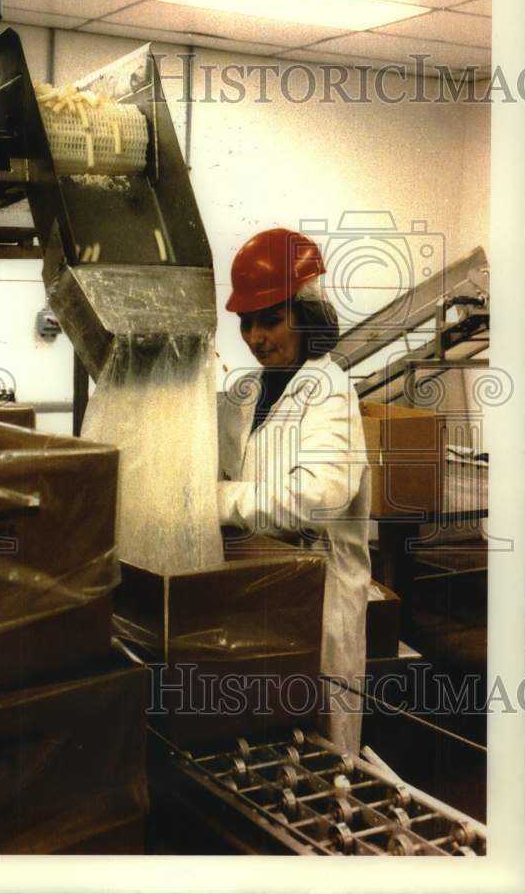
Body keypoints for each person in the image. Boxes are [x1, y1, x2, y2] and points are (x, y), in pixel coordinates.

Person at [216, 227, 371, 755]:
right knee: (269, 745)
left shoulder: (330, 392)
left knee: (326, 748)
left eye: (270, 319)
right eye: (246, 323)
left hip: (320, 593)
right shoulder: (246, 393)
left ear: (305, 316)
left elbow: (322, 493)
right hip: (262, 582)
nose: (256, 337)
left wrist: (222, 501)